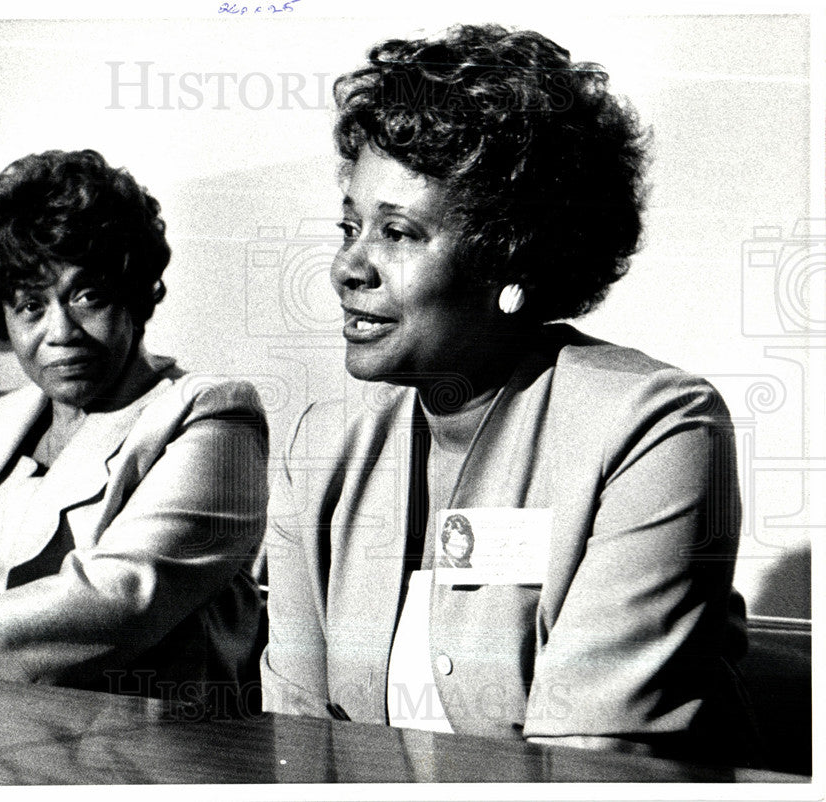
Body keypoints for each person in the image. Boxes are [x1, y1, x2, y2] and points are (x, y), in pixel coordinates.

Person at [261, 25, 758, 763]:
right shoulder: (320, 446)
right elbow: (296, 745)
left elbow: (589, 760)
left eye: (397, 233)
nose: (347, 267)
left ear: (510, 254)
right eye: (349, 226)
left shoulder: (654, 427)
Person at [0, 149, 268, 713]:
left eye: (86, 294)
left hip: (144, 750)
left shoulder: (211, 415)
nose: (60, 331)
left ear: (135, 294)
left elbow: (119, 598)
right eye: (30, 305)